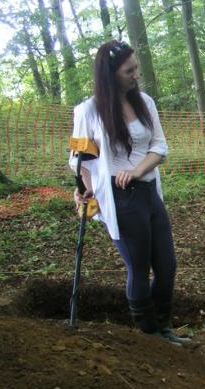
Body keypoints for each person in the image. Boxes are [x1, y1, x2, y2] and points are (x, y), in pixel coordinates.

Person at [69, 40, 191, 346]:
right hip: (120, 197)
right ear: (109, 75)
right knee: (138, 266)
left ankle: (162, 326)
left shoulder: (145, 103)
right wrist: (84, 191)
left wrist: (138, 170)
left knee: (167, 266)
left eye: (136, 68)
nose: (136, 75)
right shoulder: (88, 111)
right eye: (129, 71)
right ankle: (149, 334)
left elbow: (160, 146)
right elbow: (80, 160)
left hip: (148, 191)